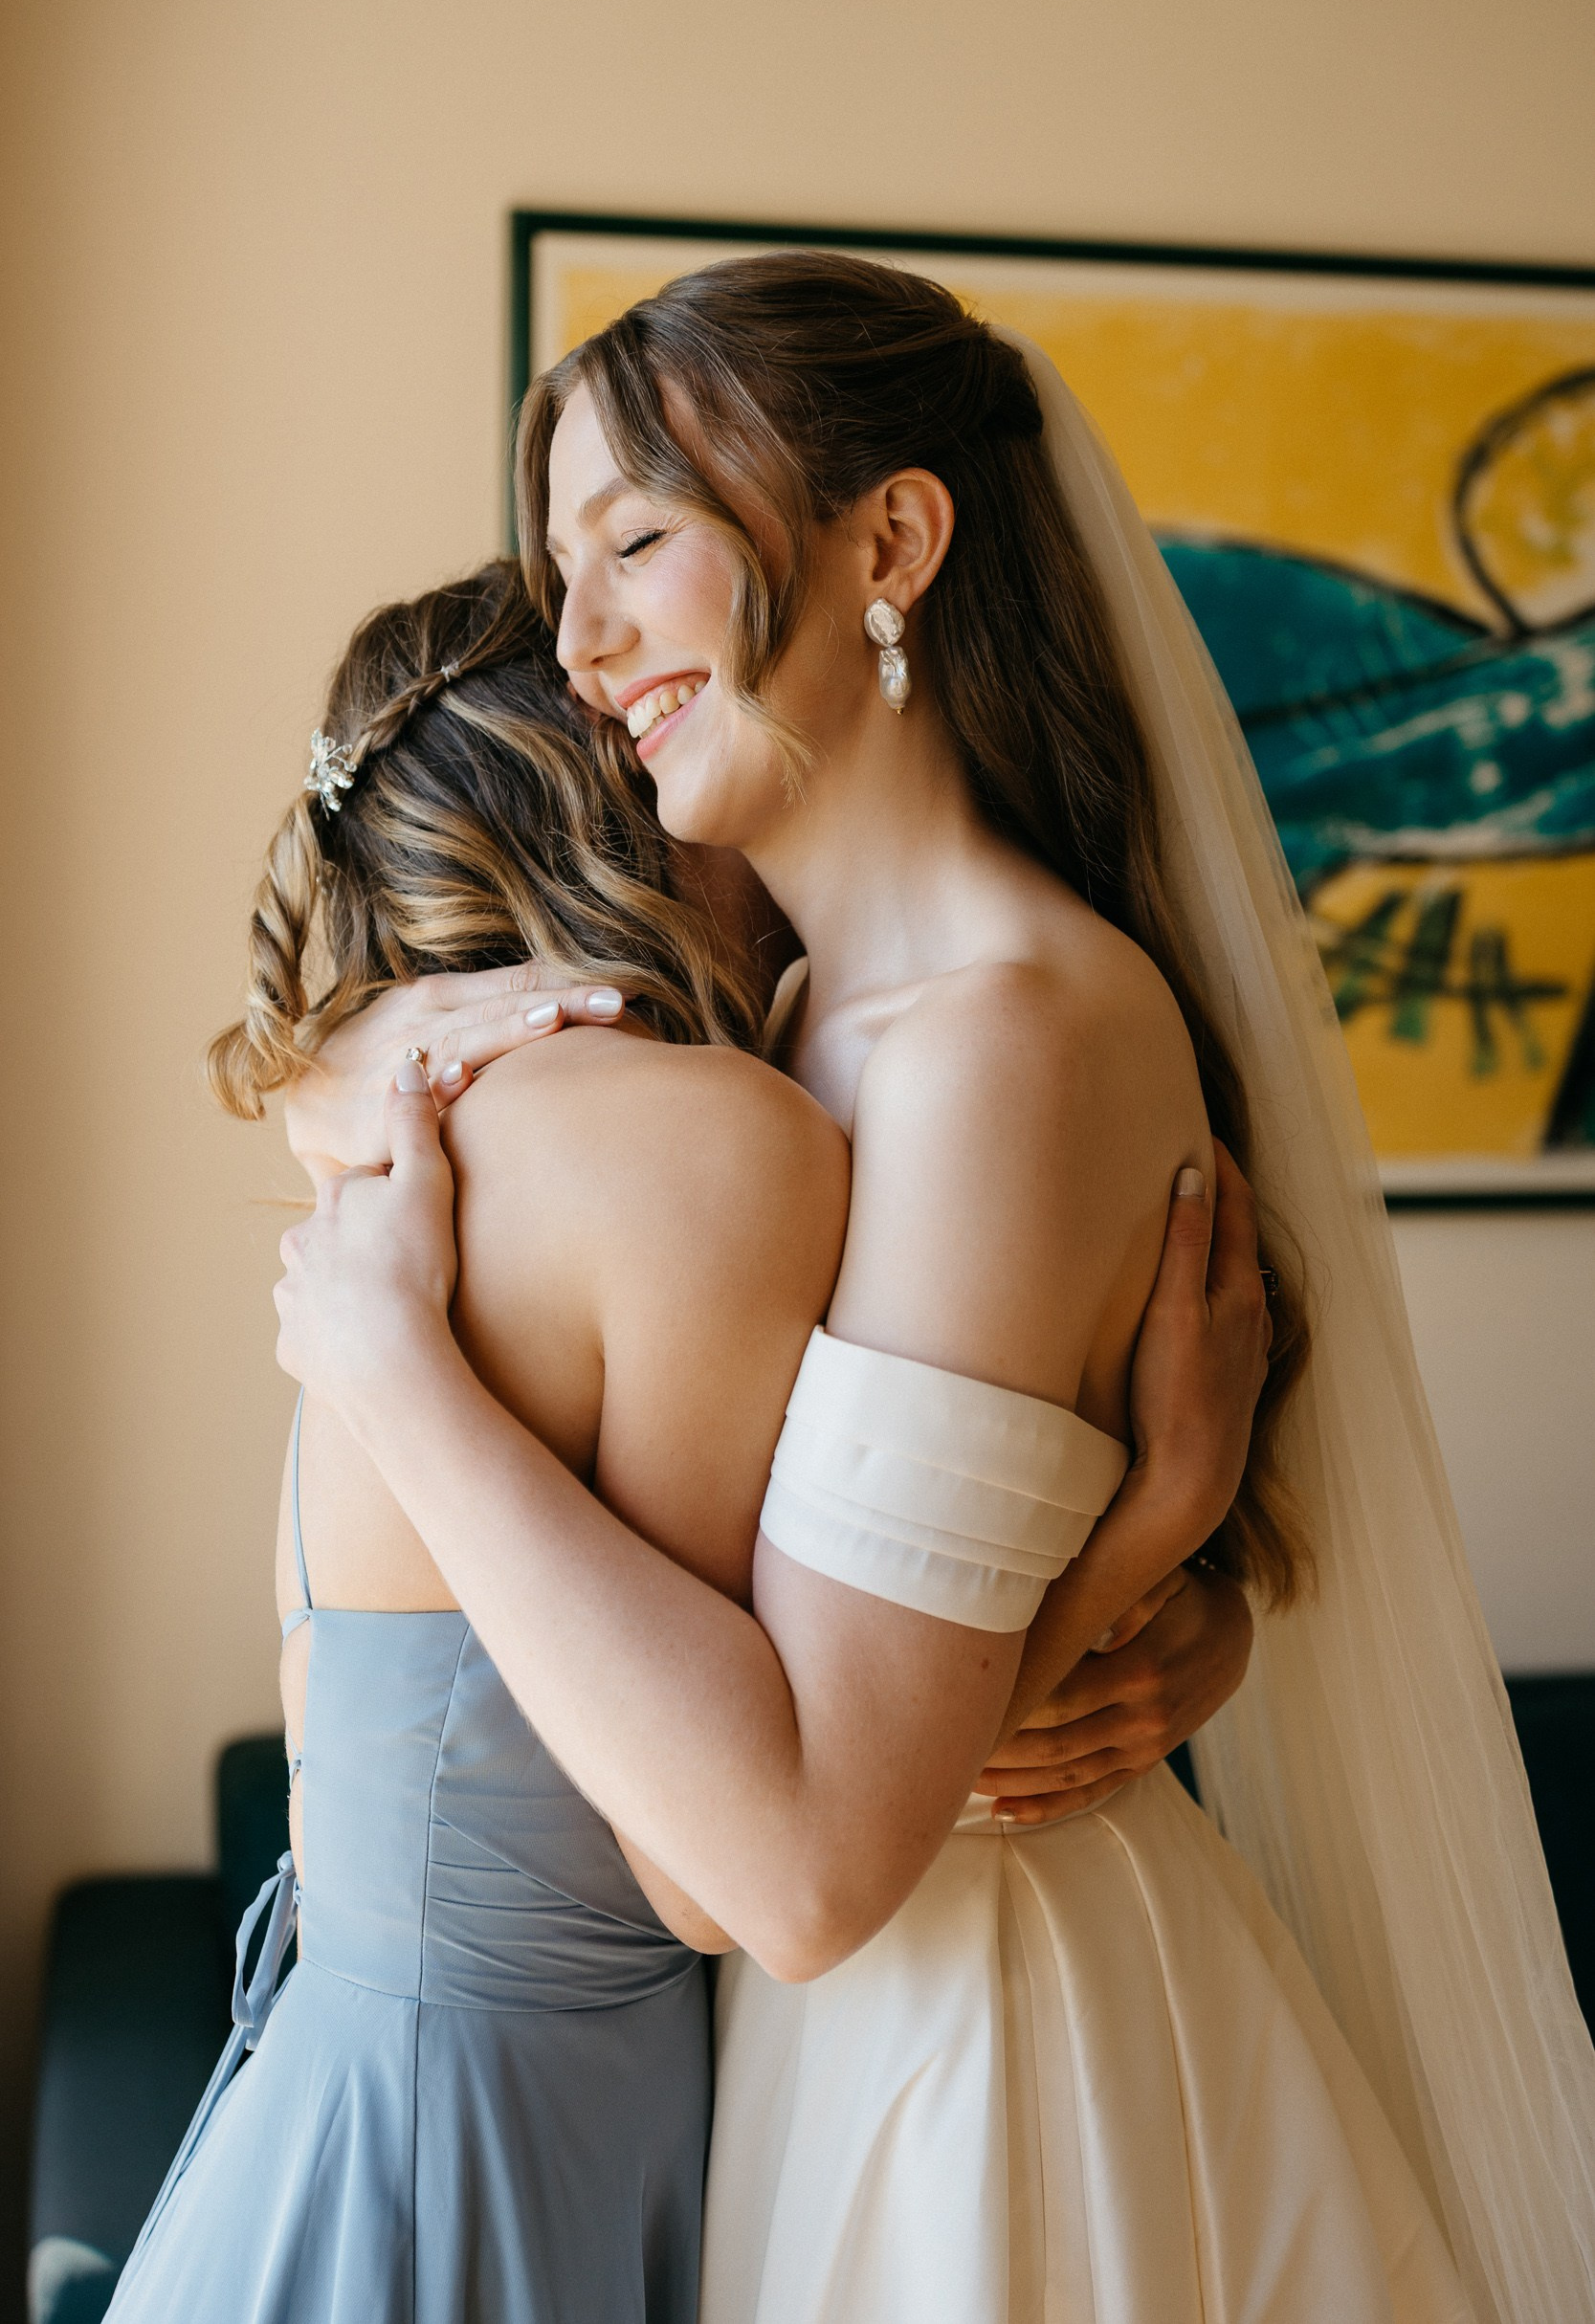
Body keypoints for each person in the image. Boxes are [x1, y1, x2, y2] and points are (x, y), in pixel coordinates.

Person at [277, 255, 1595, 2320]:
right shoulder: (802, 1017)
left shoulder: (1000, 1043)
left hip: (974, 2056)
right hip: (837, 2030)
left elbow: (790, 1865)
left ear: (890, 541)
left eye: (635, 544)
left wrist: (402, 1384)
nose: (584, 644)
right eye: (564, 573)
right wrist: (336, 1070)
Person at [106, 559, 1266, 2324]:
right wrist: (1153, 1524)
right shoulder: (709, 1144)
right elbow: (738, 1863)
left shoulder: (431, 1139)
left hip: (361, 2122)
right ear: (618, 796)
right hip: (483, 2167)